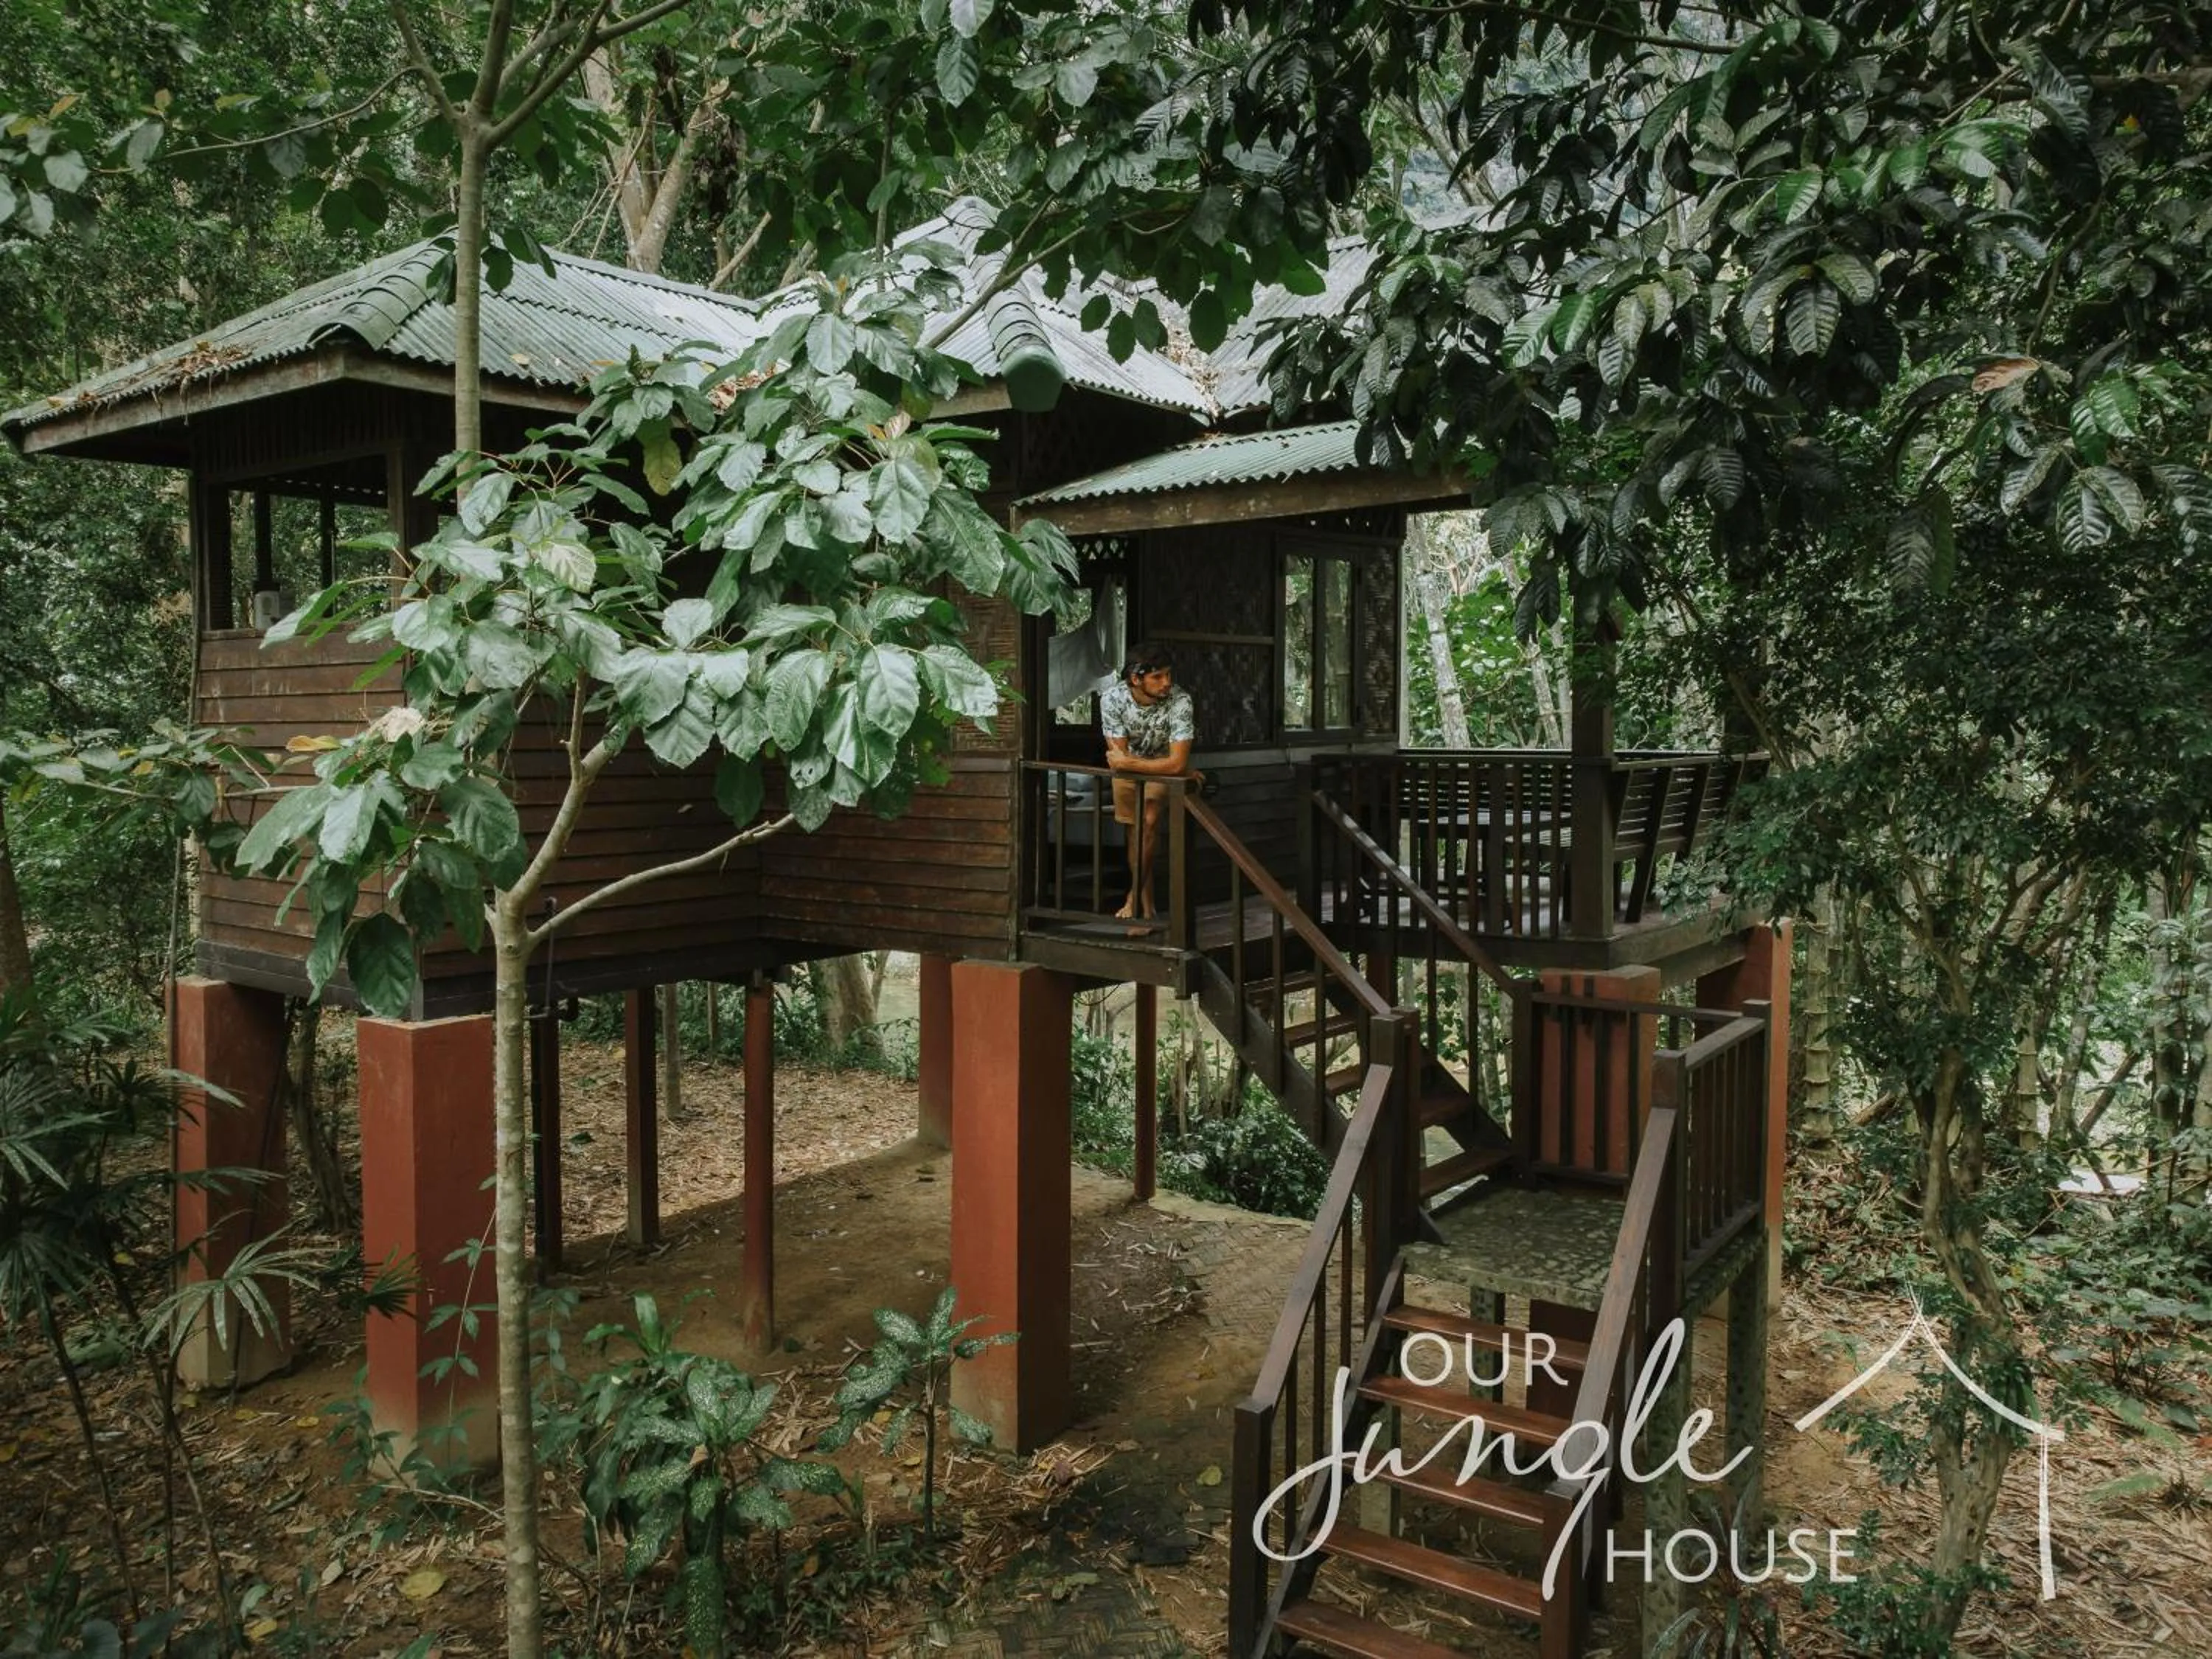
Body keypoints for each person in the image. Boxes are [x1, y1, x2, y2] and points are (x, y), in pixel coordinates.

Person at [1099, 641, 1200, 925]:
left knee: (1150, 820)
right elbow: (1119, 756)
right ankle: (1147, 911)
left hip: (1161, 770)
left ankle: (1133, 897)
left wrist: (1133, 764)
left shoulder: (1181, 701)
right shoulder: (1112, 699)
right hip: (1138, 771)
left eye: (1168, 675)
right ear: (1136, 678)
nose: (1167, 683)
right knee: (1136, 833)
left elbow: (1176, 764)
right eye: (1158, 677)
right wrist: (1130, 764)